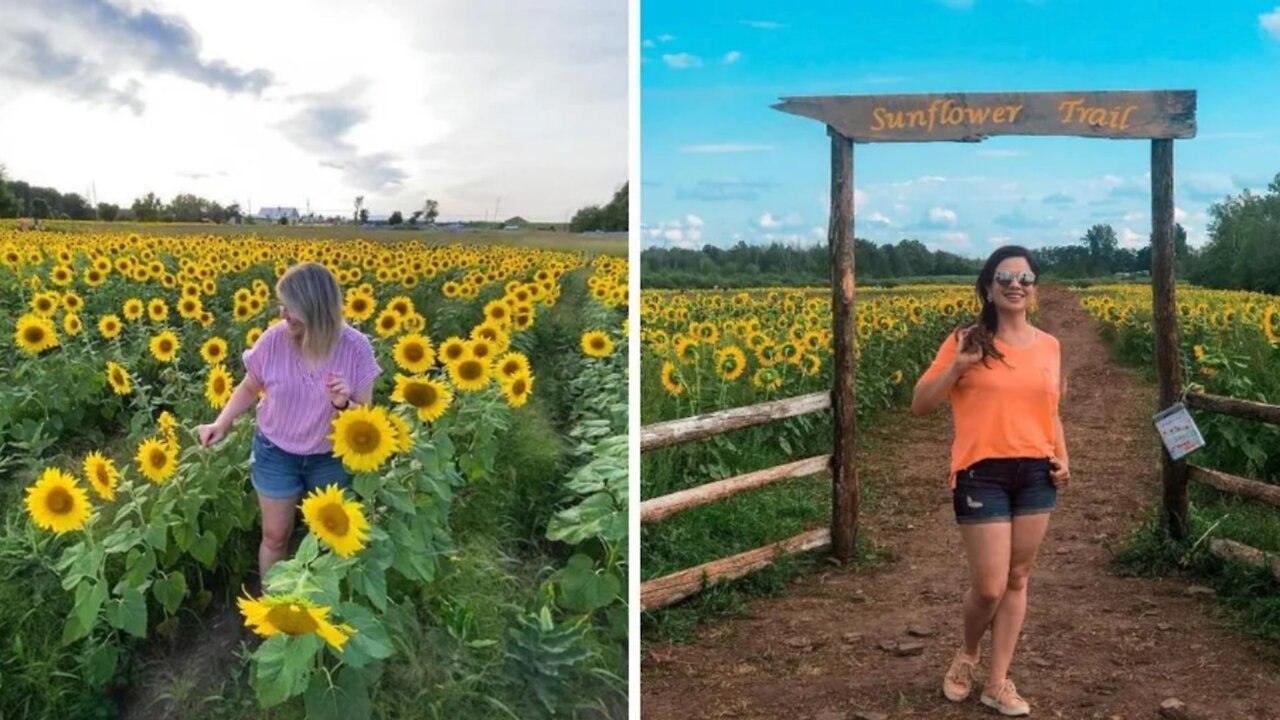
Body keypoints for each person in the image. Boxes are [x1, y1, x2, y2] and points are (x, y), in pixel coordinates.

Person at [910, 245, 1070, 717]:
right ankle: (968, 653)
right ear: (987, 287)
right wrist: (959, 366)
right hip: (981, 473)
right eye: (1004, 277)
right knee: (988, 587)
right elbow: (920, 404)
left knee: (1018, 578)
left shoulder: (1050, 345)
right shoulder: (966, 340)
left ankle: (998, 682)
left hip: (1037, 473)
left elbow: (1051, 411)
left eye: (1025, 278)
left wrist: (1062, 457)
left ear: (1034, 288)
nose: (1015, 285)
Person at [197, 262, 380, 587]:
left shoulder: (356, 349)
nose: (283, 314)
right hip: (275, 452)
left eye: (290, 307)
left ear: (315, 309)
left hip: (329, 457)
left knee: (327, 538)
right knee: (275, 535)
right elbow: (250, 386)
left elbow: (366, 418)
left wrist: (344, 404)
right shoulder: (274, 340)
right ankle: (273, 606)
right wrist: (221, 422)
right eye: (281, 305)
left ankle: (317, 602)